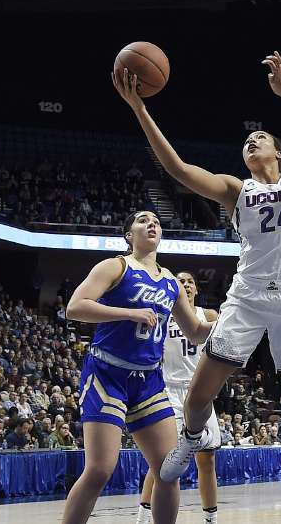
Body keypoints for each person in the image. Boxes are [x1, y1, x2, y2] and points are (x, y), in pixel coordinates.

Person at [121, 53, 281, 521]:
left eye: (259, 138)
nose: (250, 141)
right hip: (247, 296)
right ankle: (192, 437)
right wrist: (141, 109)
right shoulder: (235, 190)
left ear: (277, 152)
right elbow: (179, 169)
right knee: (197, 398)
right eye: (246, 140)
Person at [62, 211, 212, 524]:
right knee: (100, 469)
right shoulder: (115, 266)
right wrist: (129, 314)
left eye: (156, 220)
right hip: (107, 373)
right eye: (143, 220)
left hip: (148, 379)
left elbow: (196, 332)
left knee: (169, 470)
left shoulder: (170, 280)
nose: (152, 223)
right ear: (129, 234)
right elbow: (75, 307)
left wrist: (235, 323)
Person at [135, 272, 221, 524]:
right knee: (162, 459)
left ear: (197, 289)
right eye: (181, 282)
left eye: (190, 281)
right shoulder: (163, 314)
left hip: (200, 390)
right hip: (169, 389)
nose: (186, 285)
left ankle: (211, 519)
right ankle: (143, 516)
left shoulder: (210, 316)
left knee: (207, 459)